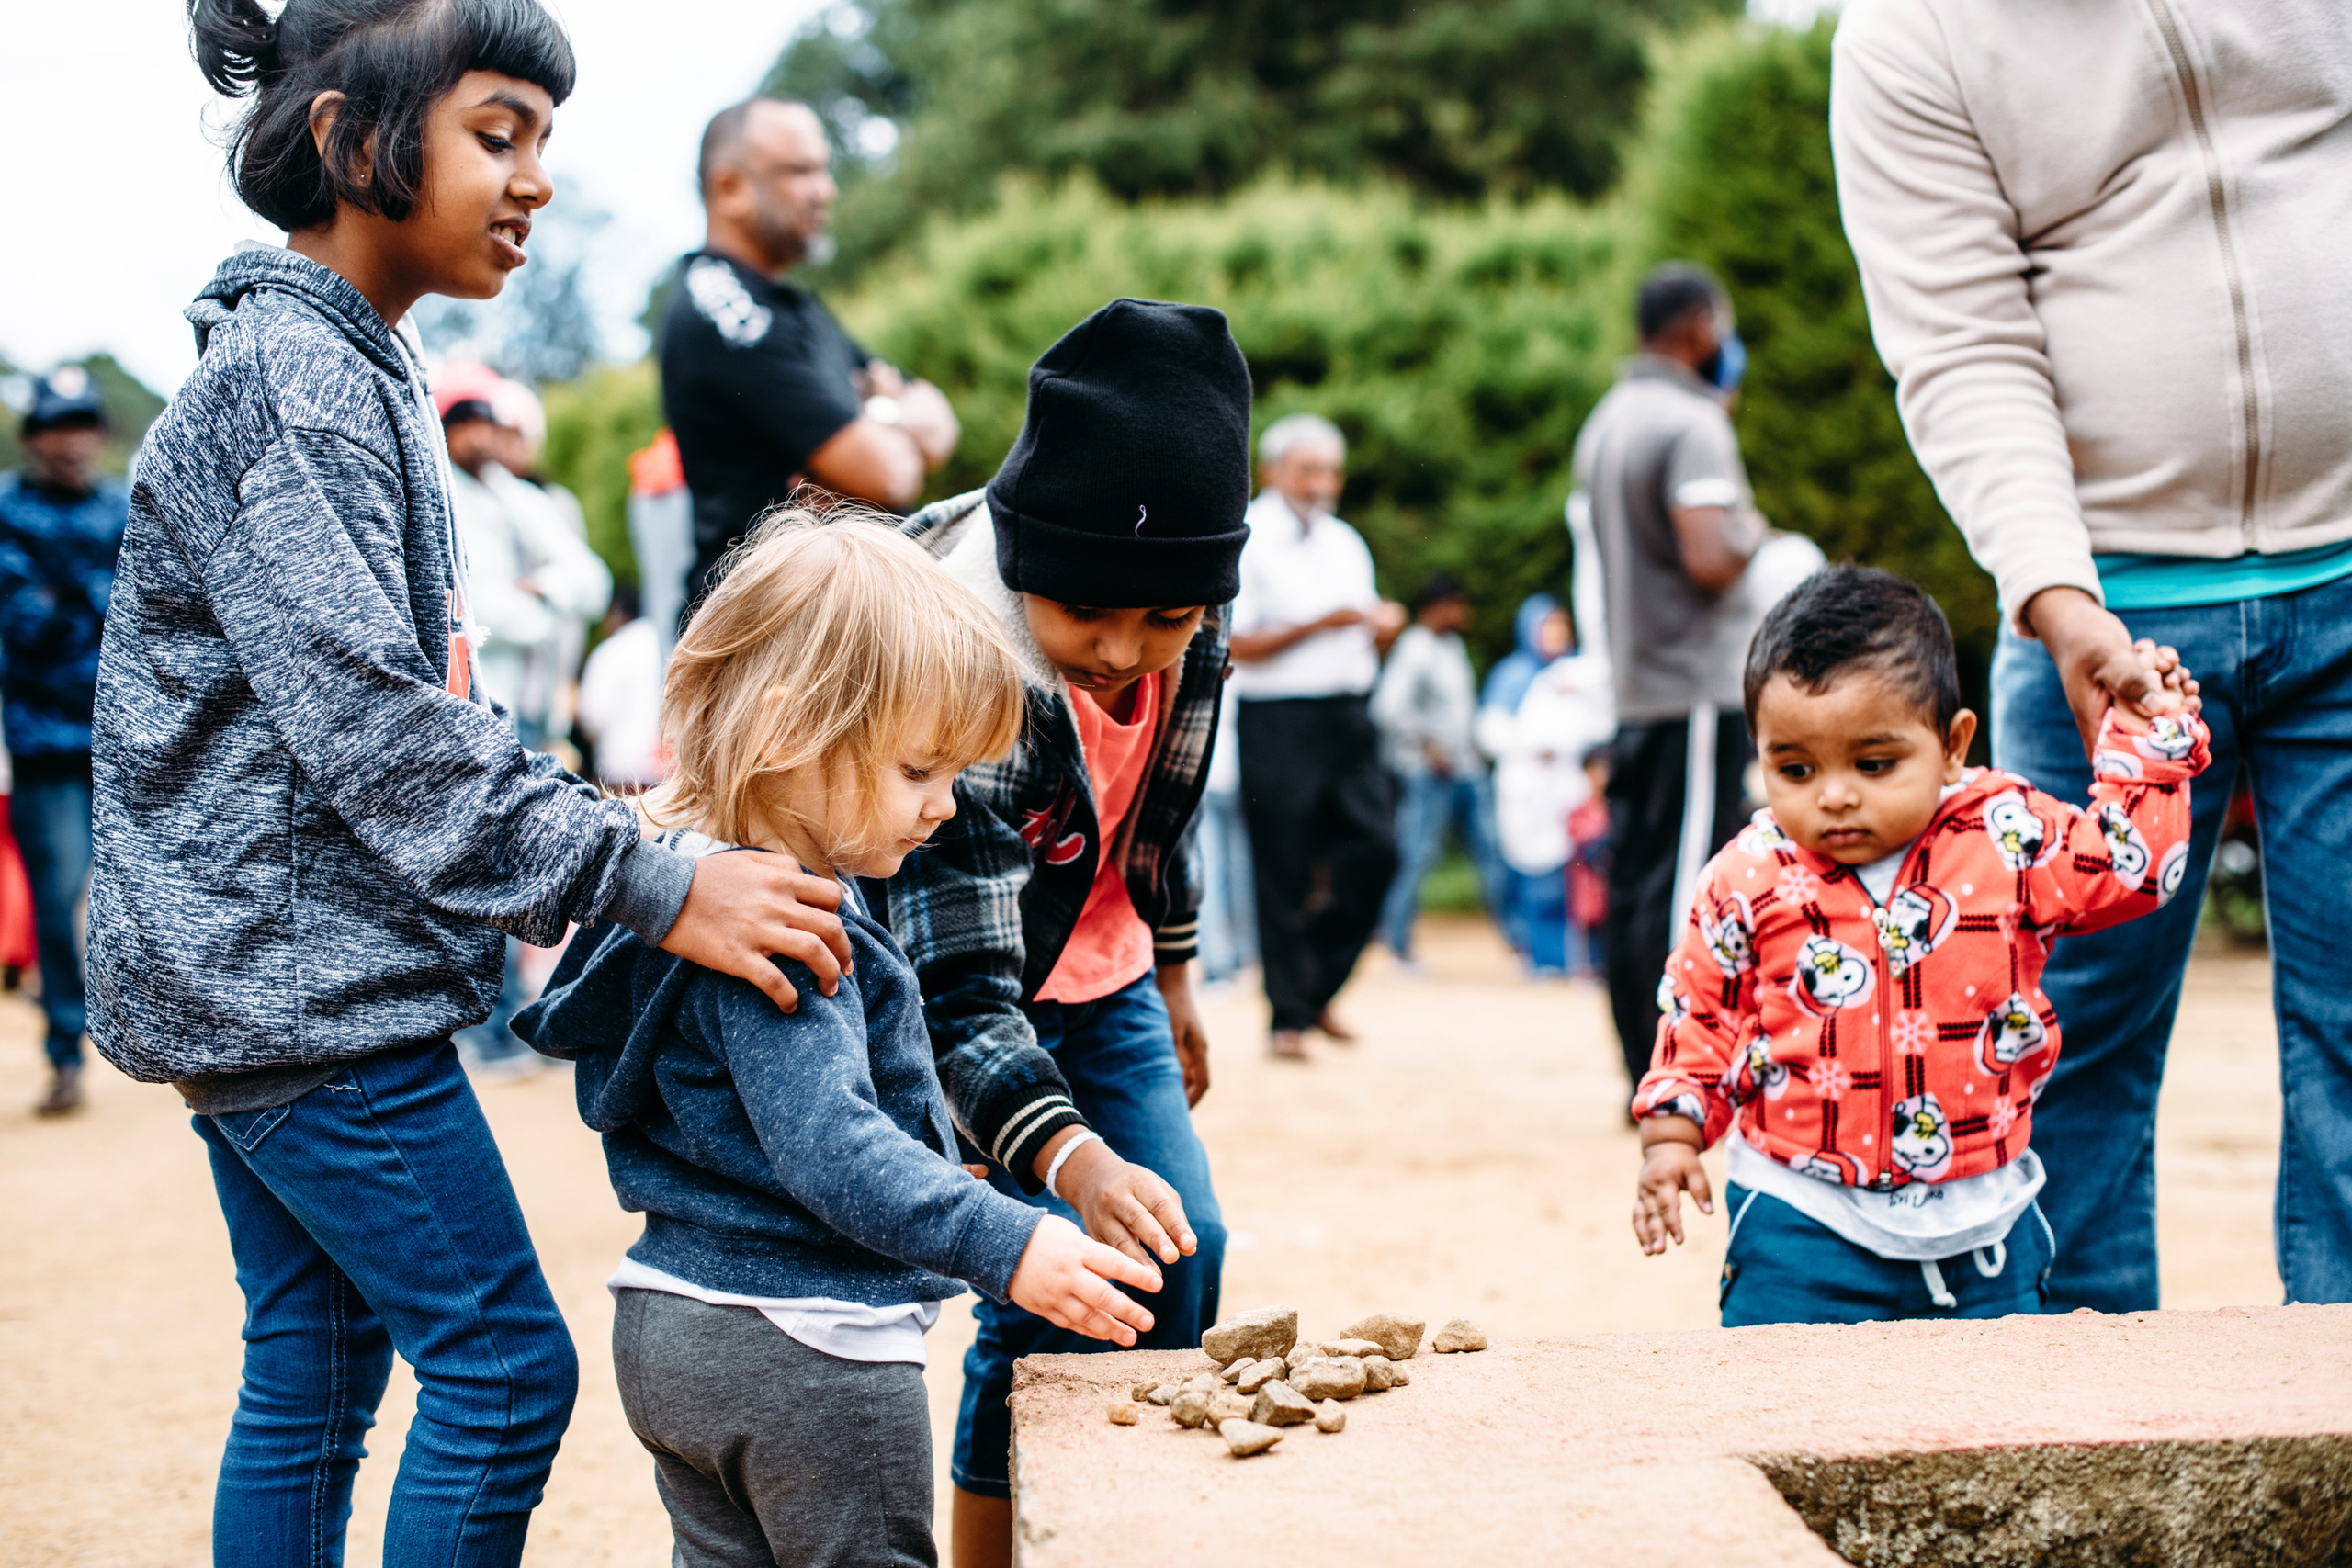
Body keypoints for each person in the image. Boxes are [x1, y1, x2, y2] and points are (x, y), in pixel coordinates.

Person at [96, 8, 854, 1562]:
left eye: (544, 145)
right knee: (505, 1374)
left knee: (314, 1367)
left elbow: (420, 704)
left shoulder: (352, 365)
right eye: (497, 134)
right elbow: (384, 734)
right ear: (347, 140)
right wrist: (659, 883)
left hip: (276, 976)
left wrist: (623, 814)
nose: (535, 182)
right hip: (298, 987)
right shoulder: (290, 381)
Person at [1831, 0, 2352, 1313]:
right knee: (2056, 1045)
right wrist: (2055, 591)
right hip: (2105, 615)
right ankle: (2083, 1406)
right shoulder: (1911, 39)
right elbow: (1961, 338)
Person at [517, 512, 1162, 1567]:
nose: (945, 808)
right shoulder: (791, 931)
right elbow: (831, 1149)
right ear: (788, 732)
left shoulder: (684, 890)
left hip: (673, 1321)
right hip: (809, 1343)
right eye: (919, 772)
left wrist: (940, 1147)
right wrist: (1008, 1239)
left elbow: (758, 1122)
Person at [888, 299, 1246, 1568]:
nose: (1122, 651)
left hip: (1106, 966)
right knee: (1050, 1276)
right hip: (960, 983)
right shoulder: (955, 660)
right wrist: (1072, 1163)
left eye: (1166, 621)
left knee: (1176, 1256)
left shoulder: (1180, 619)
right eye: (1091, 611)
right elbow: (955, 1003)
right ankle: (995, 1544)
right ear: (1028, 556)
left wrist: (1184, 974)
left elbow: (1159, 813)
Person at [1632, 567, 2210, 1325]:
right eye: (1795, 768)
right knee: (1788, 1412)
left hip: (1986, 1229)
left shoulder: (2008, 834)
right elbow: (1701, 1008)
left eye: (1874, 764)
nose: (1835, 794)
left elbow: (2134, 867)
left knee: (1994, 1425)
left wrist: (2145, 732)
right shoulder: (1747, 874)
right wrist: (1672, 1133)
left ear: (1950, 744)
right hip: (1799, 1223)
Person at [1572, 264, 1770, 1092]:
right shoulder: (1691, 422)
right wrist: (1755, 528)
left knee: (1642, 878)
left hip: (1638, 684)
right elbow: (1711, 555)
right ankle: (1671, 1071)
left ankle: (1637, 1063)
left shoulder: (1608, 418)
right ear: (1697, 327)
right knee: (1691, 882)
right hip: (1693, 686)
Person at [662, 96, 959, 616]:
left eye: (824, 169)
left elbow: (939, 421)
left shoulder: (795, 306)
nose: (827, 190)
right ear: (729, 188)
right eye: (800, 172)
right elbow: (890, 474)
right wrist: (878, 424)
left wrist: (875, 421)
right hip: (767, 635)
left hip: (837, 618)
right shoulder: (728, 308)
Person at [1228, 412, 1407, 1059]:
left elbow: (1360, 622)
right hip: (1279, 718)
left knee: (1377, 848)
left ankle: (1315, 983)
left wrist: (1379, 625)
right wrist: (1320, 623)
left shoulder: (1345, 541)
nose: (1322, 482)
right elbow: (1236, 641)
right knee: (1282, 866)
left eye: (1330, 470)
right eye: (1309, 469)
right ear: (1276, 471)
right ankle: (1288, 1017)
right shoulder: (1250, 537)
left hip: (1349, 715)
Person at [0, 367, 127, 1115]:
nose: (69, 441)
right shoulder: (8, 511)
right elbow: (24, 626)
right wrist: (90, 599)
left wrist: (68, 591)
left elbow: (143, 620)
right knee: (57, 898)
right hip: (45, 742)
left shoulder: (124, 508)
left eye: (82, 424)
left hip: (127, 738)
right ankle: (64, 1047)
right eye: (54, 427)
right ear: (33, 439)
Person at [1373, 573, 1506, 970]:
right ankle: (1397, 946)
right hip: (1428, 774)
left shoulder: (1452, 647)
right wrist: (1428, 745)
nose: (1465, 614)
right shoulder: (1416, 649)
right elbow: (1387, 708)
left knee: (1491, 853)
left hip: (1466, 768)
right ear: (1440, 607)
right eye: (1458, 605)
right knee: (1415, 857)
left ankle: (1521, 944)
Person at [1476, 593, 1613, 974]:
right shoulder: (1513, 676)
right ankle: (1541, 956)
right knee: (1536, 877)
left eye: (1560, 625)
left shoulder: (1579, 674)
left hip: (1572, 790)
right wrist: (1535, 746)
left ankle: (1581, 958)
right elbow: (1490, 731)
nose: (1555, 634)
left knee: (1582, 876)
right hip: (1529, 791)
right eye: (1547, 626)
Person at [1193, 681, 1258, 988]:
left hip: (1206, 780)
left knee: (1212, 874)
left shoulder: (1199, 667)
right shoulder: (1251, 673)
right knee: (1241, 871)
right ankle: (1245, 954)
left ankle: (1219, 965)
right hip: (1242, 779)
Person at [575, 584, 667, 789]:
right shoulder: (670, 643)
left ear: (616, 612)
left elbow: (591, 717)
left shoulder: (611, 651)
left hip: (620, 776)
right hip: (668, 773)